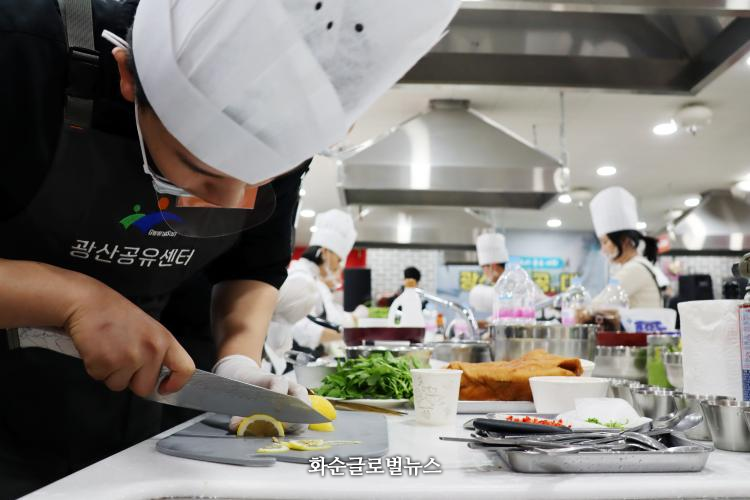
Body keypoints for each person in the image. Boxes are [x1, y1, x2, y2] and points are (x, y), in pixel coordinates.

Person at [0, 1, 460, 496]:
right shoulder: (21, 49)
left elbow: (252, 265)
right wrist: (71, 300)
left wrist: (239, 361)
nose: (228, 204)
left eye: (259, 182)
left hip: (142, 430)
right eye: (199, 172)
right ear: (128, 75)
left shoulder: (283, 121)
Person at [290, 209, 367, 351]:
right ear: (325, 252)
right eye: (338, 260)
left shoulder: (311, 278)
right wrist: (349, 335)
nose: (338, 267)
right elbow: (301, 330)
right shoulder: (300, 278)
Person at [589, 187, 663, 309]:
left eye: (605, 242)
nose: (603, 249)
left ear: (624, 241)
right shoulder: (636, 265)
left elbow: (600, 304)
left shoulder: (634, 269)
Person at [469, 233, 509, 314]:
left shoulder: (511, 285)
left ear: (492, 266)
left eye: (483, 267)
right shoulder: (501, 285)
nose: (484, 272)